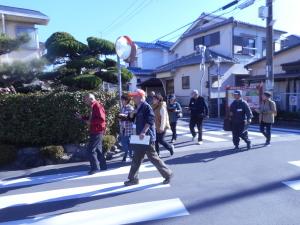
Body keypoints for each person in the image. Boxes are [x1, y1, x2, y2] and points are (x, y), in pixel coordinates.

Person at [123, 89, 173, 186]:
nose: (133, 98)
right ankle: (133, 179)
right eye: (133, 96)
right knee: (136, 158)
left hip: (147, 137)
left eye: (135, 96)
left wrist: (143, 132)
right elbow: (131, 119)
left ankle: (168, 174)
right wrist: (132, 114)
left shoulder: (146, 107)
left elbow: (150, 121)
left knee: (153, 158)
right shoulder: (138, 107)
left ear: (140, 97)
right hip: (139, 137)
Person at [75, 93, 107, 175]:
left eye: (85, 99)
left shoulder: (97, 106)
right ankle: (103, 166)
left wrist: (89, 122)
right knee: (97, 149)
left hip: (97, 130)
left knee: (90, 150)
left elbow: (101, 119)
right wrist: (82, 117)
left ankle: (95, 168)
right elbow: (93, 118)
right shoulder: (94, 106)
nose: (84, 101)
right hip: (96, 130)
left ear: (90, 98)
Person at [119, 94, 134, 162]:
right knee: (125, 142)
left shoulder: (130, 107)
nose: (121, 101)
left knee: (126, 142)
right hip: (123, 127)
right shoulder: (123, 107)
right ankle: (128, 155)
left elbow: (131, 117)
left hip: (129, 128)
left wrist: (123, 116)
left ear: (126, 100)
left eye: (122, 99)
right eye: (121, 99)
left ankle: (128, 155)